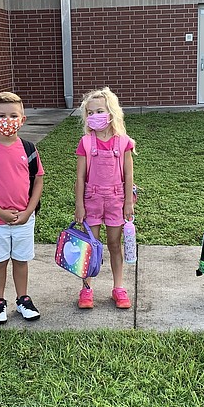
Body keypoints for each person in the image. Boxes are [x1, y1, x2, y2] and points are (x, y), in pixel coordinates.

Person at [0, 92, 45, 324]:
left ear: (22, 119)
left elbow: (38, 181)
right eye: (2, 115)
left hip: (24, 217)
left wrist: (28, 211)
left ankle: (23, 299)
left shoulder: (29, 148)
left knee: (21, 260)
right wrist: (0, 212)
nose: (7, 120)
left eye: (13, 115)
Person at [73, 87, 135, 309]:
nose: (94, 116)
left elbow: (128, 174)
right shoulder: (86, 142)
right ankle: (86, 288)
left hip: (116, 199)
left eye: (99, 111)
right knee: (89, 245)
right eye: (90, 113)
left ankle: (119, 287)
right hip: (91, 200)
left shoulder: (123, 141)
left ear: (111, 113)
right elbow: (80, 177)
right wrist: (79, 204)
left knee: (114, 244)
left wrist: (128, 202)